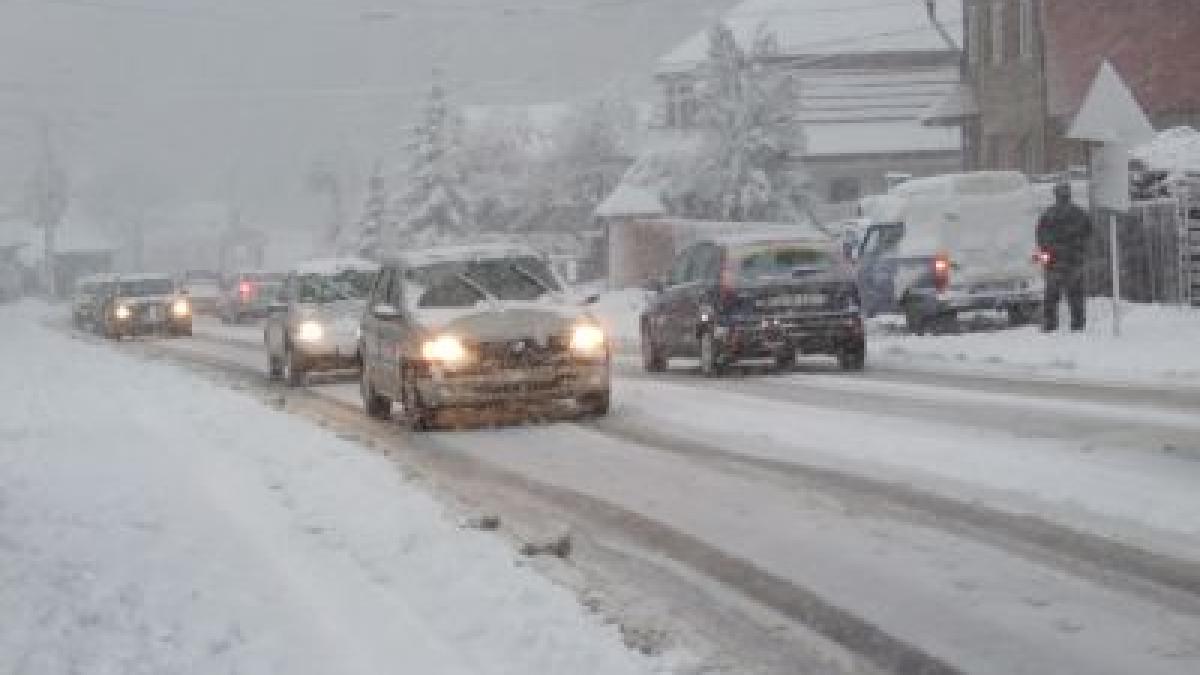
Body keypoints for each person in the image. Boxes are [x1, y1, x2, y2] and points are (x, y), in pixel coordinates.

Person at [1036, 182, 1093, 331]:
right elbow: (1089, 236)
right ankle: (1078, 326)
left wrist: (1044, 261)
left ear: (1055, 195)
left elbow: (1040, 241)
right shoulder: (1080, 213)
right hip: (1073, 262)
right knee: (1076, 296)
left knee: (1051, 297)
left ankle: (1050, 326)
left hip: (1054, 264)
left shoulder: (1047, 215)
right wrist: (1082, 255)